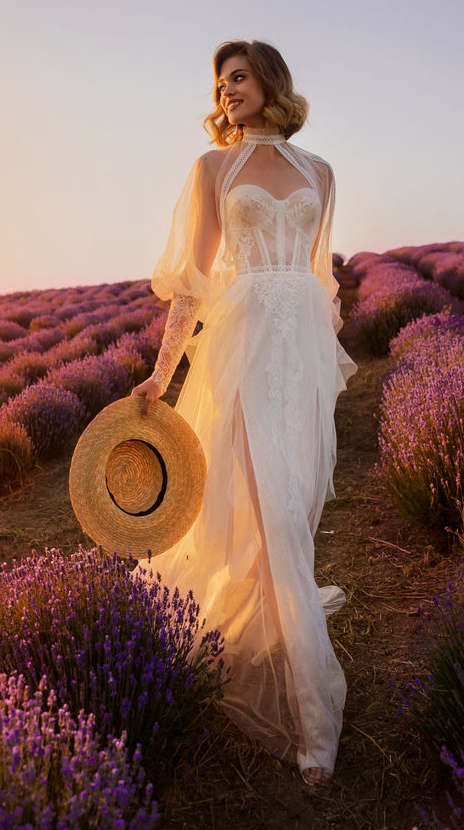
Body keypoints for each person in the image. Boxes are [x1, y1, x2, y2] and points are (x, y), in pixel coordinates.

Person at [132, 40, 356, 785]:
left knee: (292, 498)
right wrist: (162, 376)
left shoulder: (321, 172)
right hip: (245, 345)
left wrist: (323, 356)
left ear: (270, 83)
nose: (226, 90)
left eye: (238, 76)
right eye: (219, 82)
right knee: (272, 510)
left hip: (303, 347)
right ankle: (312, 710)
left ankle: (273, 621)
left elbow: (322, 277)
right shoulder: (212, 169)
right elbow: (193, 284)